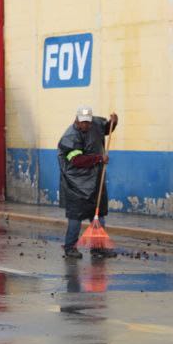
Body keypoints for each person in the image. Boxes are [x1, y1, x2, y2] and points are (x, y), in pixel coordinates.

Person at [58, 106, 118, 259]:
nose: (85, 125)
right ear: (76, 120)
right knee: (75, 217)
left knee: (98, 215)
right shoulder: (70, 137)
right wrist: (98, 158)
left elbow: (106, 129)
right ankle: (70, 247)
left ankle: (98, 248)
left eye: (88, 122)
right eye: (82, 122)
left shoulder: (95, 124)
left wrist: (113, 122)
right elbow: (76, 160)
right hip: (76, 183)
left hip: (95, 180)